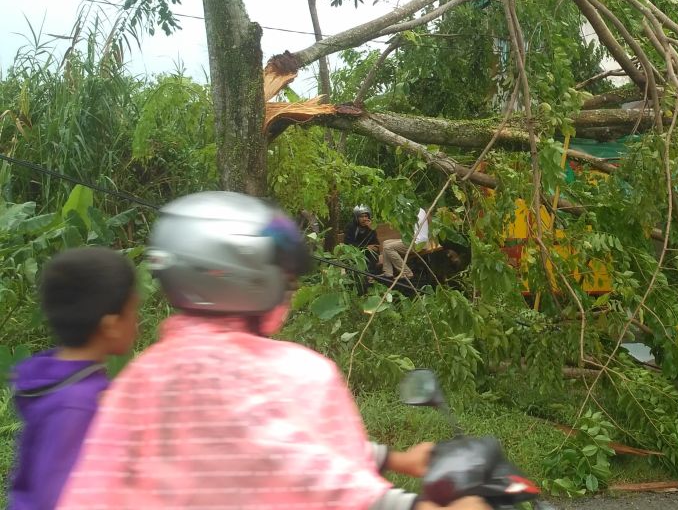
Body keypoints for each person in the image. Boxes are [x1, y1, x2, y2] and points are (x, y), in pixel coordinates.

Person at [57, 191, 485, 510]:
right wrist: (405, 504)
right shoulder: (298, 371)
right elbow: (293, 460)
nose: (290, 286)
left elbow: (89, 489)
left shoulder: (137, 378)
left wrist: (393, 457)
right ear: (251, 277)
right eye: (283, 274)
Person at [7, 246, 139, 510]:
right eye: (134, 311)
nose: (138, 323)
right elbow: (60, 498)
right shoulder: (77, 405)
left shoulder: (65, 382)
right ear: (111, 326)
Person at [378, 206, 434, 282]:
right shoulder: (418, 209)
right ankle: (388, 273)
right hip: (416, 240)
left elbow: (404, 229)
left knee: (388, 247)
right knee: (385, 243)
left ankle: (406, 272)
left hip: (418, 243)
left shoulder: (407, 211)